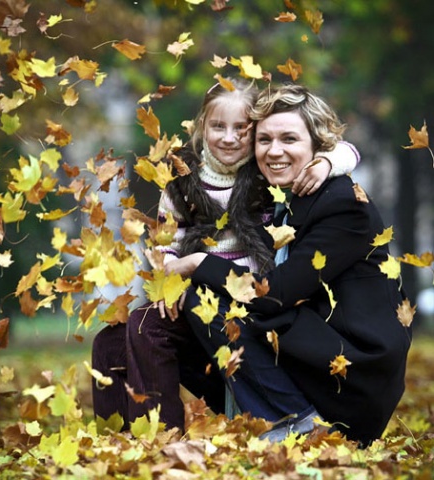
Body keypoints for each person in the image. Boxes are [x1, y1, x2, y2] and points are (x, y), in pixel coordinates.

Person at [91, 78, 361, 431]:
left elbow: (344, 150)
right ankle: (125, 438)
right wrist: (170, 279)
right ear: (203, 126)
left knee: (149, 327)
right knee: (112, 339)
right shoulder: (182, 177)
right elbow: (166, 242)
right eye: (219, 126)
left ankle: (159, 438)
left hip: (248, 299)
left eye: (242, 129)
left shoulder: (266, 170)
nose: (230, 138)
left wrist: (326, 162)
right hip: (193, 289)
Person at [166, 83, 411, 447]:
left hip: (353, 376)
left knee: (215, 297)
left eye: (289, 139)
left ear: (318, 148)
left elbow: (274, 295)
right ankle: (259, 423)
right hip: (317, 350)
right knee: (187, 320)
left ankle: (298, 424)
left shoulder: (343, 204)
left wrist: (197, 263)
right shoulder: (289, 196)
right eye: (264, 140)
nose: (274, 151)